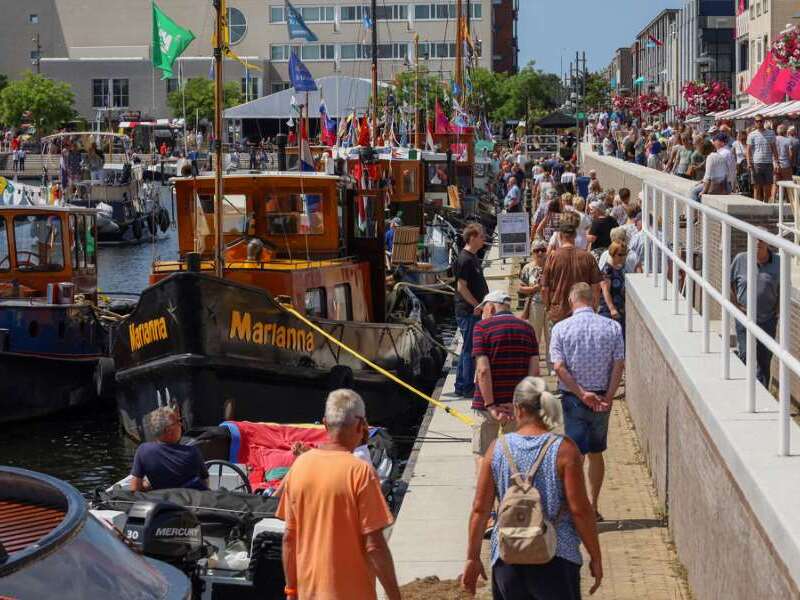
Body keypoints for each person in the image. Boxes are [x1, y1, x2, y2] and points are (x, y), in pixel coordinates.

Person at [461, 377, 603, 599]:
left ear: (517, 408)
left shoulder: (497, 449)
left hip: (508, 557)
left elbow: (480, 509)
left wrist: (472, 557)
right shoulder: (564, 450)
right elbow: (580, 511)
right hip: (557, 557)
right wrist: (595, 556)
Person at [278, 389, 401, 600]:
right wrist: (395, 596)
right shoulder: (361, 472)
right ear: (361, 426)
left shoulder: (300, 466)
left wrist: (291, 590)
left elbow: (289, 538)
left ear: (325, 424)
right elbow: (374, 545)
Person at [550, 283, 625, 519]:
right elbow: (619, 364)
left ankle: (575, 507)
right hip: (602, 397)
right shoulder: (612, 327)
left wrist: (581, 393)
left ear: (571, 301)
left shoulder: (561, 328)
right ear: (593, 300)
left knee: (574, 456)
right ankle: (593, 506)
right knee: (596, 452)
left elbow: (558, 367)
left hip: (574, 398)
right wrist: (609, 396)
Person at [471, 290, 540, 459]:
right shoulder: (527, 328)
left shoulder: (481, 328)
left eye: (483, 310)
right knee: (516, 458)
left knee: (484, 457)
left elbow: (483, 370)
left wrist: (491, 405)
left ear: (491, 308)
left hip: (487, 406)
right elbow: (535, 372)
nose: (482, 315)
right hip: (516, 406)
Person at [730, 237, 780, 388]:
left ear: (767, 243)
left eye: (761, 240)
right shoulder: (740, 259)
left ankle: (762, 392)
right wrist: (737, 306)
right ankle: (746, 390)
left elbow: (783, 288)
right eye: (754, 240)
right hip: (744, 318)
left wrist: (777, 311)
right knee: (746, 354)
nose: (758, 243)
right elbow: (730, 283)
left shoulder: (778, 262)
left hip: (767, 320)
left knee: (764, 359)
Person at [130, 406, 209, 491]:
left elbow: (135, 489)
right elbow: (205, 483)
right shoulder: (192, 452)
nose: (181, 424)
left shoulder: (143, 451)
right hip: (188, 498)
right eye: (178, 421)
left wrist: (147, 487)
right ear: (169, 430)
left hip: (160, 498)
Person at [541, 220, 603, 328]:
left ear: (560, 236)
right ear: (575, 236)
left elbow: (544, 288)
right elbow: (596, 287)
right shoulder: (588, 257)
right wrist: (594, 307)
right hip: (583, 312)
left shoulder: (552, 258)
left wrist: (548, 307)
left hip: (558, 312)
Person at [454, 223, 489, 399]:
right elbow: (461, 287)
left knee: (467, 347)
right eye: (481, 236)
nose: (484, 239)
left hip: (473, 311)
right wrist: (477, 305)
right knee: (470, 349)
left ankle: (461, 384)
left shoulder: (473, 257)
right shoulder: (465, 259)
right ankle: (467, 386)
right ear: (472, 237)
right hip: (468, 311)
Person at [519, 240, 549, 364]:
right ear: (532, 252)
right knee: (535, 335)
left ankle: (551, 366)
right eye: (537, 250)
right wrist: (534, 289)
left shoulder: (552, 266)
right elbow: (520, 288)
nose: (540, 253)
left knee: (551, 336)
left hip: (551, 305)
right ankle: (534, 364)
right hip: (535, 304)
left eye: (543, 250)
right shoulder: (527, 268)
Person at [598, 241, 628, 338]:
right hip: (609, 311)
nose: (623, 257)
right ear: (612, 253)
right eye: (620, 254)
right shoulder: (607, 270)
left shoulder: (621, 268)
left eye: (624, 254)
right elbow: (605, 290)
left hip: (620, 309)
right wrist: (612, 309)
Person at [747, 114, 779, 201]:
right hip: (756, 163)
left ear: (764, 122)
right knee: (756, 187)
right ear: (754, 122)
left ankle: (765, 204)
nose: (759, 123)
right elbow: (748, 150)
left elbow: (774, 148)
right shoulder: (751, 134)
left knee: (767, 187)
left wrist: (776, 162)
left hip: (768, 163)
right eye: (757, 121)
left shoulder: (771, 133)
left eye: (761, 121)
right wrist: (749, 163)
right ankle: (756, 205)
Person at [774, 124, 795, 198]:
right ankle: (789, 201)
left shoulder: (773, 139)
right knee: (788, 185)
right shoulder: (788, 140)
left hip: (775, 165)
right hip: (786, 165)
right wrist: (791, 163)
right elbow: (791, 154)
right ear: (785, 131)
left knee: (775, 185)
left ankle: (773, 200)